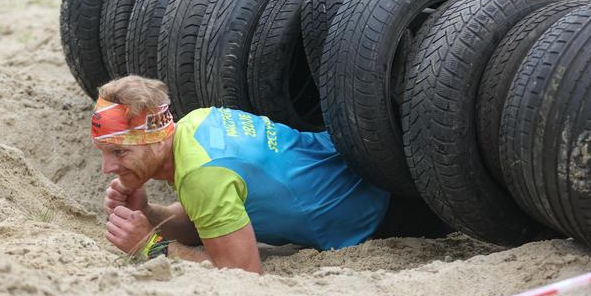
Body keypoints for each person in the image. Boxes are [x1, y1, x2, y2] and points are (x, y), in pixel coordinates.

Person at [93, 75, 444, 274]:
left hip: (386, 210)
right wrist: (151, 215)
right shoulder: (197, 124)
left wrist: (151, 246)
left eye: (120, 151)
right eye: (105, 152)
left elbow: (243, 271)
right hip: (368, 161)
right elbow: (212, 216)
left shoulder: (202, 175)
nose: (109, 167)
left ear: (156, 141)